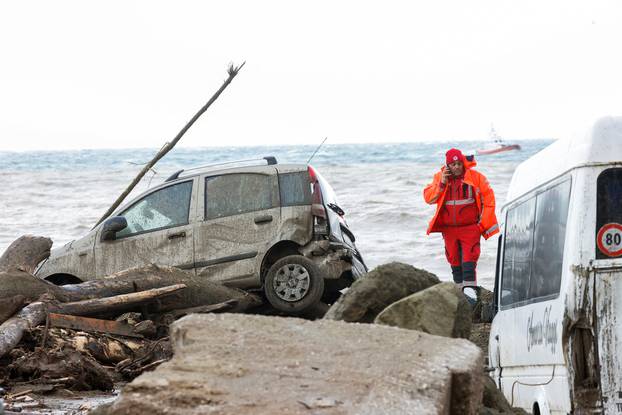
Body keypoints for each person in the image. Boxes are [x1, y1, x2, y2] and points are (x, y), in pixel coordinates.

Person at [423, 148, 499, 287]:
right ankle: (459, 296)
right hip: (449, 230)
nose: (456, 167)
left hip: (470, 228)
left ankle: (471, 298)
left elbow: (489, 199)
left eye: (459, 164)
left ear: (463, 163)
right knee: (455, 265)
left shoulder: (476, 177)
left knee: (469, 265)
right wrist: (442, 183)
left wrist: (482, 225)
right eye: (453, 164)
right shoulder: (439, 177)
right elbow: (429, 198)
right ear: (448, 165)